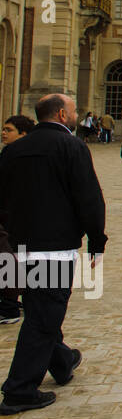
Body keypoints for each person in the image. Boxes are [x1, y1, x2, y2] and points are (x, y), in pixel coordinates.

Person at [0, 94, 106, 415]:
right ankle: (19, 390)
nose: (75, 115)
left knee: (37, 310)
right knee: (44, 317)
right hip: (53, 250)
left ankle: (62, 362)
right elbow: (89, 198)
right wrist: (97, 241)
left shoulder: (12, 151)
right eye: (73, 111)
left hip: (17, 247)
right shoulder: (71, 147)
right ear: (62, 114)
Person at [0, 117, 35, 325]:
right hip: (13, 215)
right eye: (3, 129)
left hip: (14, 216)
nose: (4, 133)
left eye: (9, 130)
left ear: (23, 134)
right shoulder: (11, 154)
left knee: (10, 259)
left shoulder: (18, 157)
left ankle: (9, 305)